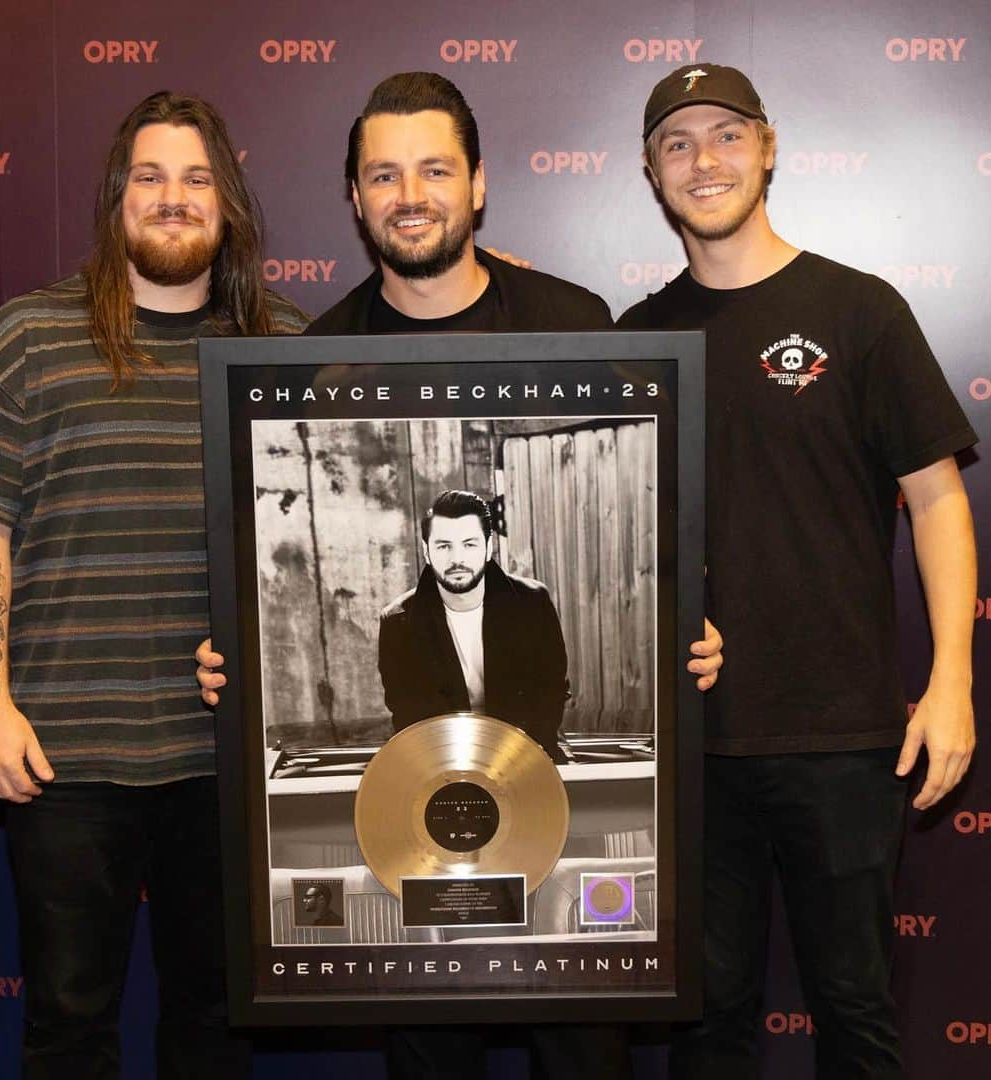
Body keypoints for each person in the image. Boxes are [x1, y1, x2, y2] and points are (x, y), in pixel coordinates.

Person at [198, 70, 723, 1080]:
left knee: (585, 1038)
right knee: (427, 1037)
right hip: (421, 809)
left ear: (478, 184)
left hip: (547, 797)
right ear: (354, 198)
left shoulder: (575, 321)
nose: (411, 194)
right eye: (383, 174)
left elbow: (664, 506)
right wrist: (237, 656)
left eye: (435, 168)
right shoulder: (319, 359)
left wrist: (682, 624)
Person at [0, 91, 308, 1077]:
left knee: (219, 1023)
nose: (172, 198)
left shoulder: (284, 347)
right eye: (149, 177)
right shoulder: (27, 335)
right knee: (67, 1025)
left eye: (195, 178)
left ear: (228, 203)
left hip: (236, 759)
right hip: (62, 755)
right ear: (116, 197)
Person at [617, 63, 977, 1078]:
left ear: (768, 148)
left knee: (855, 1011)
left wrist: (950, 681)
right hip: (689, 747)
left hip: (844, 737)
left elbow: (940, 499)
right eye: (678, 143)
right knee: (709, 1022)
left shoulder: (861, 311)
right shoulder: (634, 340)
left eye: (727, 134)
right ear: (651, 172)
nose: (705, 159)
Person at [379, 488, 570, 759]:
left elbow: (550, 696)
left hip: (526, 754)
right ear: (426, 551)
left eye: (469, 544)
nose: (457, 559)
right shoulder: (399, 621)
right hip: (442, 761)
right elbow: (410, 716)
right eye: (444, 546)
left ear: (488, 547)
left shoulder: (532, 603)